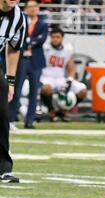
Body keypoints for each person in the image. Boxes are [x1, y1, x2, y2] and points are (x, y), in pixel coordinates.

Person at [9, 0, 47, 130]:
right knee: (16, 91)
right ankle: (11, 119)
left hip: (36, 61)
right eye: (29, 7)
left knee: (34, 92)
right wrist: (30, 41)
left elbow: (42, 39)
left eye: (34, 6)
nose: (32, 9)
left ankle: (30, 120)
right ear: (25, 9)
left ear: (38, 8)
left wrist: (28, 41)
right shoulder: (21, 20)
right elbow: (17, 38)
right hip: (21, 59)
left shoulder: (42, 24)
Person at [0, 0, 26, 183]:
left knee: (2, 114)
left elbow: (13, 49)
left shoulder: (18, 17)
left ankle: (4, 168)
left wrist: (10, 80)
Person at [40, 27, 87, 122]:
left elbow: (71, 67)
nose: (55, 39)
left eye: (58, 37)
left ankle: (65, 110)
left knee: (82, 91)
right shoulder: (45, 48)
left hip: (61, 78)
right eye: (53, 37)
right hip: (46, 77)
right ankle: (52, 111)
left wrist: (69, 80)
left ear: (62, 38)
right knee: (46, 89)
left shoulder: (67, 49)